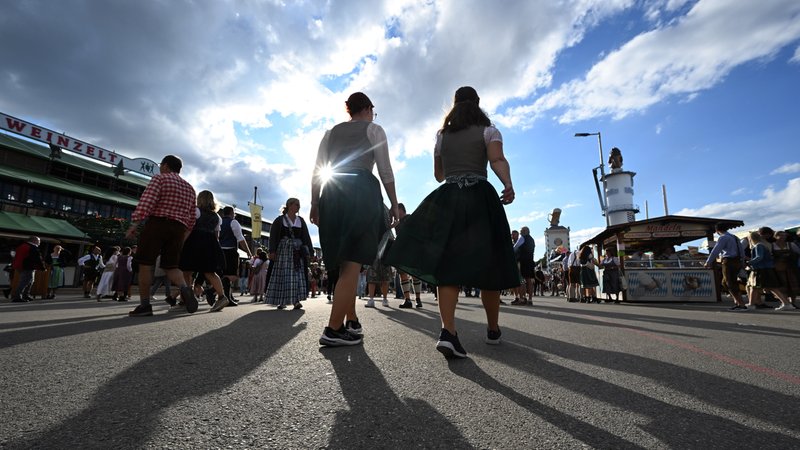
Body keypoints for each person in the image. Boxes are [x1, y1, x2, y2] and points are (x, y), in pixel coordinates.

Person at [386, 86, 518, 359]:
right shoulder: (489, 131)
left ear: (454, 106)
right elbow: (497, 159)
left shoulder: (441, 136)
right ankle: (493, 330)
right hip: (480, 197)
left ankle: (448, 332)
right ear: (478, 104)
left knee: (449, 266)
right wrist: (507, 184)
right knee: (490, 264)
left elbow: (438, 175)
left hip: (448, 199)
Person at [311, 91, 399, 346]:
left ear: (348, 109)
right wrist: (393, 203)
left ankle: (350, 319)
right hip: (360, 191)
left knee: (342, 262)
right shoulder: (374, 129)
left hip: (332, 191)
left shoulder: (330, 133)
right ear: (369, 108)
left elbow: (318, 169)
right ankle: (333, 328)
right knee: (353, 263)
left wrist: (315, 202)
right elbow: (385, 170)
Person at [125, 154, 198, 317]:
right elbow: (192, 217)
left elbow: (147, 203)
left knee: (145, 263)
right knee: (171, 265)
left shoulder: (160, 179)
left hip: (158, 224)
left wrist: (134, 224)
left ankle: (144, 306)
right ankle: (185, 289)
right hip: (179, 228)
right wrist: (183, 235)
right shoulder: (190, 188)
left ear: (165, 165)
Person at [178, 190, 230, 313]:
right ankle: (222, 297)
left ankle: (188, 297)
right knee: (210, 272)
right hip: (210, 244)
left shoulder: (196, 211)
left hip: (195, 242)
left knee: (187, 270)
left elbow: (189, 229)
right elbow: (217, 236)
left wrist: (181, 243)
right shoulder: (217, 217)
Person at [264, 197, 314, 310]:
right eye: (296, 204)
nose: (298, 206)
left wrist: (310, 251)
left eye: (299, 204)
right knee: (283, 275)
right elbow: (273, 236)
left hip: (297, 252)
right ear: (289, 205)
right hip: (283, 253)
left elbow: (306, 237)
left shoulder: (300, 220)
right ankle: (281, 301)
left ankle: (296, 301)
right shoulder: (279, 220)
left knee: (298, 276)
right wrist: (272, 250)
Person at [745, 231, 796, 311]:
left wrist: (749, 262)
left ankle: (751, 305)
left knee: (755, 287)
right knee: (768, 287)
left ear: (750, 238)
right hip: (766, 269)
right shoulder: (763, 245)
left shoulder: (758, 246)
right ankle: (786, 303)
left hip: (761, 269)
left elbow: (759, 257)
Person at [704, 222, 746, 311]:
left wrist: (708, 262)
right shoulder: (734, 237)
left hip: (729, 261)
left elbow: (715, 251)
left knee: (729, 283)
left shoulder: (723, 238)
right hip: (737, 260)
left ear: (717, 230)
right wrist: (742, 261)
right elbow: (741, 250)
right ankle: (737, 302)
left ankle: (741, 304)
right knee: (727, 282)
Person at [218, 206, 252, 306]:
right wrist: (248, 251)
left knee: (225, 274)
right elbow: (241, 239)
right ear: (232, 213)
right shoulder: (233, 222)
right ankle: (213, 292)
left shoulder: (219, 221)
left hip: (220, 251)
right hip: (230, 251)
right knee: (232, 276)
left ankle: (228, 296)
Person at [396, 204, 424, 309]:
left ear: (401, 209)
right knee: (402, 274)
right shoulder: (397, 223)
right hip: (402, 250)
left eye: (396, 209)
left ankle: (418, 299)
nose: (395, 212)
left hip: (412, 249)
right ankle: (407, 300)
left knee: (415, 275)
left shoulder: (410, 218)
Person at [9, 236, 45, 302]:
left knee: (28, 281)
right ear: (34, 241)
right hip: (28, 267)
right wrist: (42, 267)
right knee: (25, 282)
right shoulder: (33, 247)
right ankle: (18, 297)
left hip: (19, 266)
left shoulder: (21, 246)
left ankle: (25, 295)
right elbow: (37, 258)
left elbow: (15, 256)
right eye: (39, 241)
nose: (40, 242)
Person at [771, 230, 800, 306]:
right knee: (782, 285)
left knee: (793, 285)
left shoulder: (791, 244)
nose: (783, 237)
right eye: (781, 235)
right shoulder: (772, 245)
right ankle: (785, 302)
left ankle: (792, 303)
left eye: (784, 236)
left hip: (790, 268)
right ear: (776, 236)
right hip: (778, 268)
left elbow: (798, 252)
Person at [512, 226, 535, 305]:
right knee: (529, 281)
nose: (520, 232)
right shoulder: (532, 240)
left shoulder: (522, 238)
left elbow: (515, 247)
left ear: (524, 231)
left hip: (523, 261)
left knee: (521, 280)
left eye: (521, 231)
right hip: (530, 261)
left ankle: (522, 299)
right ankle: (530, 299)